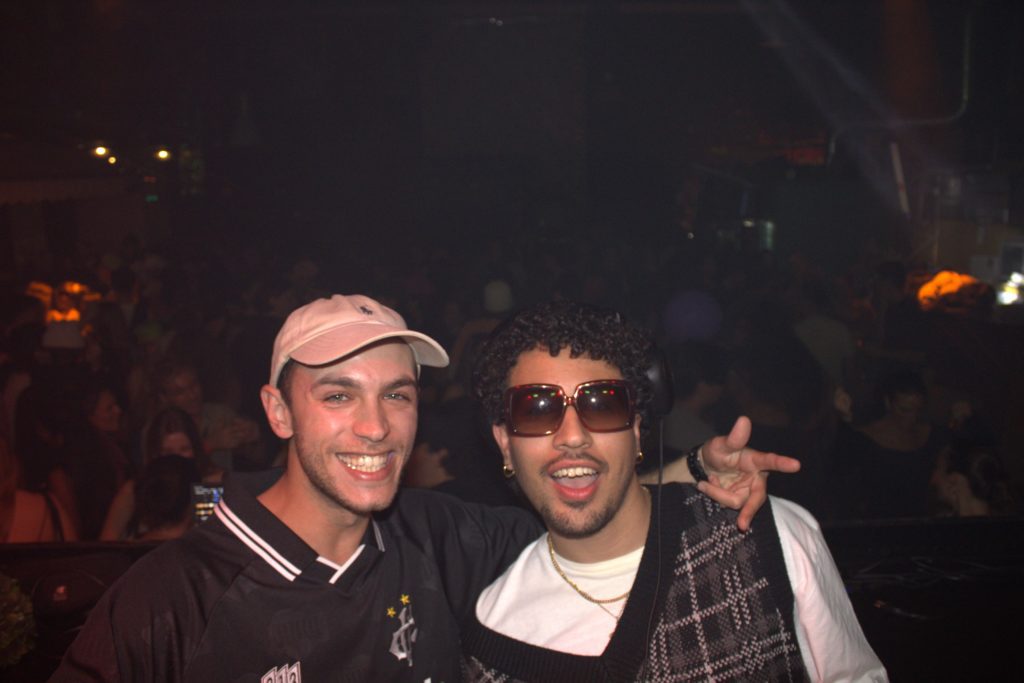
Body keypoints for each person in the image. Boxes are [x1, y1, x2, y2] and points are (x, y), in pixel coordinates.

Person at [53, 294, 798, 682]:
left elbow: (574, 505)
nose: (375, 426)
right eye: (338, 395)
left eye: (398, 395)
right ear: (278, 412)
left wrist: (694, 469)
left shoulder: (434, 538)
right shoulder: (170, 601)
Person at [463, 300, 885, 681]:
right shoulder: (496, 640)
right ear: (505, 443)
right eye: (536, 410)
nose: (573, 437)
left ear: (636, 428)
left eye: (602, 405)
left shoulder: (768, 539)